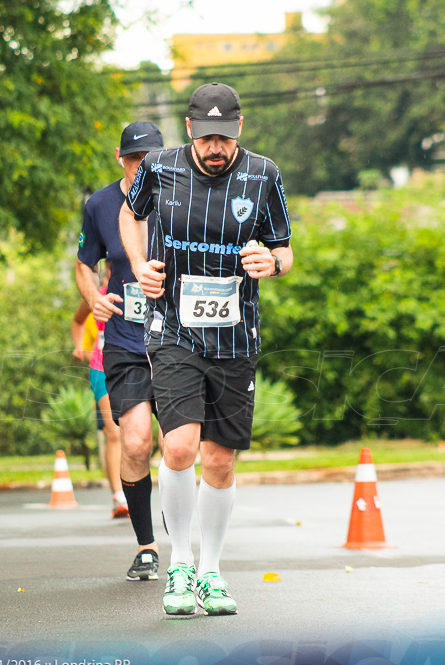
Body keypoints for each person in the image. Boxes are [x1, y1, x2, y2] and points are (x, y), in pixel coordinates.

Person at [119, 84, 293, 615]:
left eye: (225, 135)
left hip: (236, 336)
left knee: (219, 460)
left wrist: (273, 264)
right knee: (178, 449)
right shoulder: (160, 168)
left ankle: (212, 574)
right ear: (190, 129)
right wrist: (139, 265)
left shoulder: (264, 175)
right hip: (173, 327)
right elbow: (131, 215)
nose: (215, 146)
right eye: (206, 136)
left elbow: (284, 248)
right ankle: (180, 563)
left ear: (239, 128)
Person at [76, 121, 165, 581]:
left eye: (150, 158)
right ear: (120, 157)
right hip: (126, 342)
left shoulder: (181, 196)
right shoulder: (100, 204)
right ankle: (147, 547)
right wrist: (92, 295)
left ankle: (188, 546)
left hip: (179, 340)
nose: (142, 166)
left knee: (180, 446)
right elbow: (83, 265)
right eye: (135, 159)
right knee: (135, 442)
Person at [70, 278, 128, 519]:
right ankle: (119, 497)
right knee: (113, 433)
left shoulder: (140, 289)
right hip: (101, 368)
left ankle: (133, 490)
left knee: (134, 434)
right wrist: (79, 346)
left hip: (134, 367)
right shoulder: (97, 294)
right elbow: (77, 321)